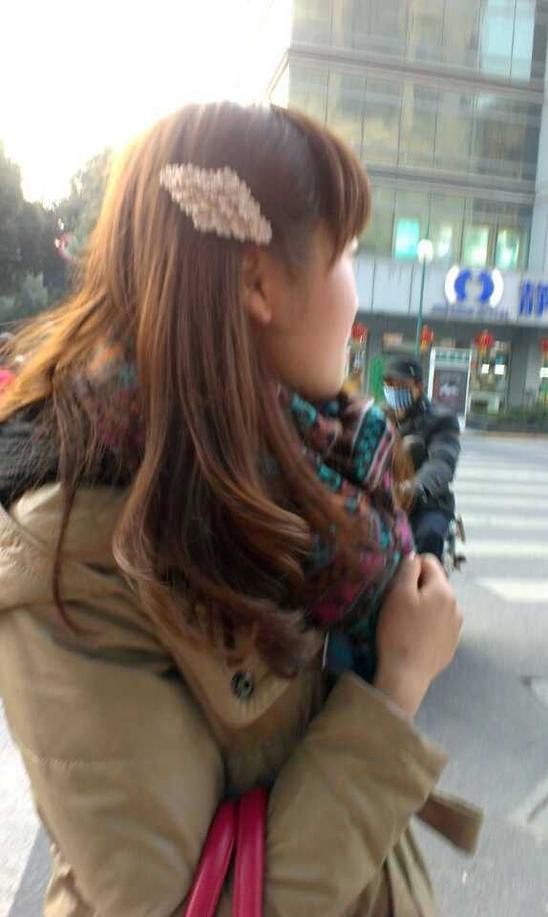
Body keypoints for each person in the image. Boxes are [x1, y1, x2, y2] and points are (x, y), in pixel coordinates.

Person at [0, 102, 479, 917]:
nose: (356, 297)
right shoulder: (73, 553)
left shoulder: (308, 473)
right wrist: (395, 690)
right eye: (347, 254)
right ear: (258, 283)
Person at [383, 357, 461, 562]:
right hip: (384, 498)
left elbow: (442, 461)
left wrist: (416, 487)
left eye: (401, 385)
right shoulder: (378, 417)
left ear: (418, 387)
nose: (394, 390)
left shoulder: (441, 420)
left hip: (426, 502)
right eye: (390, 384)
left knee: (428, 535)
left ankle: (427, 579)